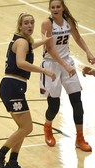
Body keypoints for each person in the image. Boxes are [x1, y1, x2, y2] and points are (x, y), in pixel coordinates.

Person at [0, 13, 56, 168]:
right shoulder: (22, 42)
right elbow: (20, 63)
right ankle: (0, 155)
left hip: (13, 86)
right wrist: (44, 70)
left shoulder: (23, 41)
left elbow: (30, 47)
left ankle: (12, 163)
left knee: (23, 128)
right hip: (13, 86)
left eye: (32, 23)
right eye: (26, 23)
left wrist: (44, 41)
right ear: (20, 26)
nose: (30, 26)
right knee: (27, 127)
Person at [40, 0, 95, 152]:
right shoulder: (47, 24)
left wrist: (88, 52)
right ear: (50, 9)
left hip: (67, 63)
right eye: (53, 7)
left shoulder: (68, 20)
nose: (55, 9)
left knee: (77, 102)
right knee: (54, 106)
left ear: (63, 8)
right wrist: (65, 66)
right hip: (51, 65)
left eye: (58, 6)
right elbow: (50, 49)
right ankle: (48, 126)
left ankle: (80, 137)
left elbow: (78, 38)